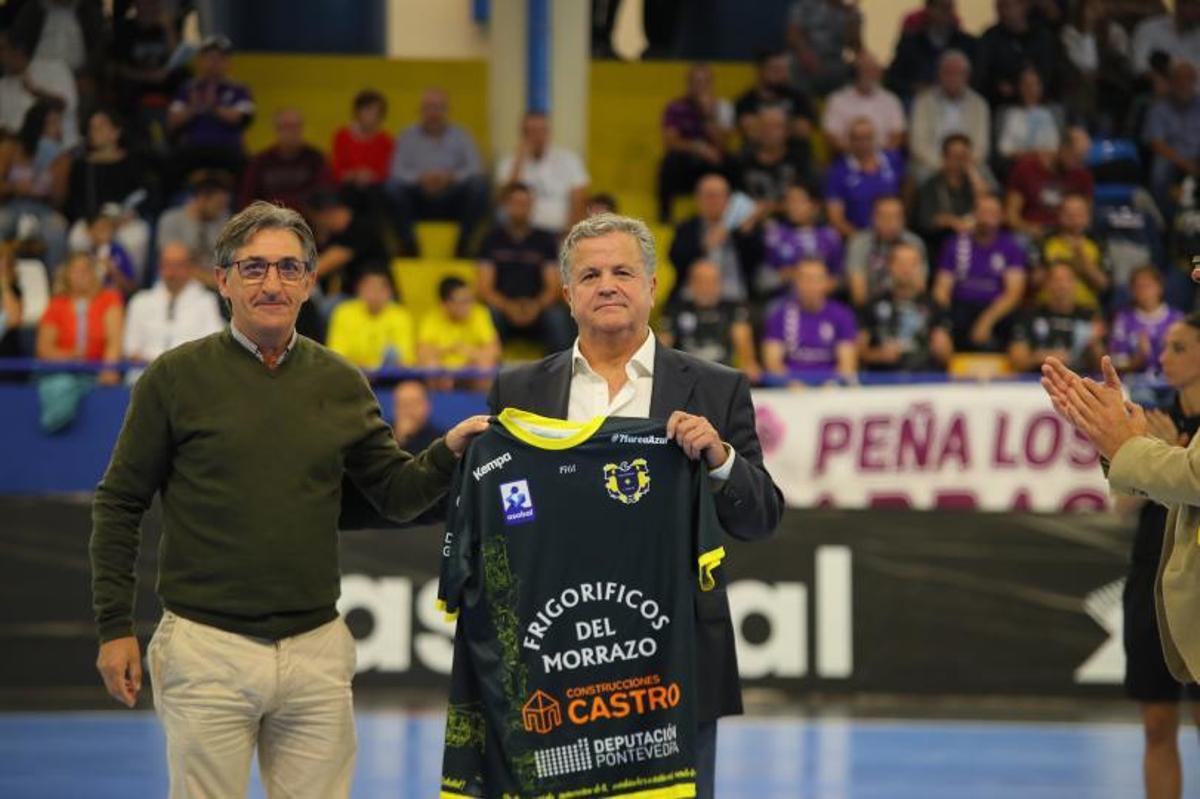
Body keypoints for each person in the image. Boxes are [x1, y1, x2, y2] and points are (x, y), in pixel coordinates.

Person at [89, 201, 490, 799]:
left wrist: (446, 452)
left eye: (287, 268)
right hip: (206, 648)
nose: (271, 283)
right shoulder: (173, 379)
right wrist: (114, 626)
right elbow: (120, 502)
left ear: (309, 281)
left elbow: (394, 494)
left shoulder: (340, 380)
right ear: (223, 281)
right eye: (253, 269)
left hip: (316, 653)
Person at [485, 212, 783, 799]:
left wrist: (720, 457)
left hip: (676, 662)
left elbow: (761, 517)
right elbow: (502, 516)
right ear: (568, 294)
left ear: (652, 285)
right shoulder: (518, 392)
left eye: (623, 271)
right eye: (590, 274)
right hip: (555, 657)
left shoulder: (717, 388)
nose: (608, 285)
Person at [1114, 314, 1200, 799]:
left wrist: (1181, 463)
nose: (1164, 358)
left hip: (1198, 579)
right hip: (1151, 576)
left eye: (1179, 348)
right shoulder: (1153, 420)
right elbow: (1123, 506)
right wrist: (1161, 457)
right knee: (1155, 723)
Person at [387, 88, 488, 257]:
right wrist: (421, 178)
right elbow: (396, 171)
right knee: (392, 187)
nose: (434, 113)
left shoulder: (462, 135)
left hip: (452, 198)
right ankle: (408, 245)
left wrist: (450, 178)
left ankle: (462, 246)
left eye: (439, 107)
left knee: (479, 186)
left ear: (447, 111)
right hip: (418, 199)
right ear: (420, 111)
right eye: (429, 107)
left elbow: (475, 168)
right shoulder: (406, 136)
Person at [476, 182, 574, 353]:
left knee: (557, 317)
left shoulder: (544, 240)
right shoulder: (491, 238)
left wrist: (535, 306)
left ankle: (561, 374)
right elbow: (484, 287)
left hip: (537, 310)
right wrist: (508, 307)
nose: (521, 208)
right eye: (516, 203)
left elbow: (553, 287)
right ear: (506, 206)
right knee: (488, 315)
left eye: (525, 203)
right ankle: (488, 375)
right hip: (502, 310)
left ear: (532, 206)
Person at [932, 194, 1028, 352]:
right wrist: (943, 319)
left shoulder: (1011, 246)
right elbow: (941, 289)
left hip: (996, 310)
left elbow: (1014, 293)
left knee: (1015, 322)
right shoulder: (955, 243)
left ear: (1001, 216)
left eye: (993, 213)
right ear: (974, 214)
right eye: (983, 212)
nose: (987, 219)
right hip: (960, 307)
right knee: (943, 326)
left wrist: (986, 321)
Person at [65, 109, 155, 276]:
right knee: (77, 238)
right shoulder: (82, 165)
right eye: (92, 128)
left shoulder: (134, 161)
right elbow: (75, 202)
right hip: (92, 221)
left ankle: (129, 286)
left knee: (136, 237)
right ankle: (83, 283)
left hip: (125, 220)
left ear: (116, 132)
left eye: (100, 127)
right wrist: (93, 224)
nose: (94, 132)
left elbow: (147, 195)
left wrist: (130, 215)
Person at [166, 35, 254, 185]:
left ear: (228, 62)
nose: (214, 63)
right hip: (194, 147)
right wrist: (193, 109)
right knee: (169, 166)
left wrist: (214, 107)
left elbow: (240, 117)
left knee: (249, 170)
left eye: (219, 58)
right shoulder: (188, 88)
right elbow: (173, 120)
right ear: (200, 61)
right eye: (209, 58)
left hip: (228, 148)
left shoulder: (239, 89)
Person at [122, 241, 223, 367]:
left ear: (190, 267)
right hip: (145, 375)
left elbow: (213, 345)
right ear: (159, 267)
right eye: (167, 264)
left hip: (190, 374)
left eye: (178, 265)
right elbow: (130, 347)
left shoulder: (206, 301)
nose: (172, 271)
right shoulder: (140, 301)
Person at [667, 173, 764, 303]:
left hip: (735, 297)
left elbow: (757, 261)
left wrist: (745, 233)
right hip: (694, 298)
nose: (714, 201)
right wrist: (704, 245)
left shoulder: (743, 227)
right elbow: (676, 260)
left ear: (729, 200)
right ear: (697, 199)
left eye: (719, 196)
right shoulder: (686, 228)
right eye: (708, 196)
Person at [659, 259, 761, 382]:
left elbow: (743, 343)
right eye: (700, 281)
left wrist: (749, 364)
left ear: (720, 284)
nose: (706, 287)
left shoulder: (733, 309)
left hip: (723, 378)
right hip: (685, 379)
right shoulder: (675, 310)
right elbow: (662, 348)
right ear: (690, 283)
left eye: (712, 282)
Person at [857, 242, 953, 372]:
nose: (906, 269)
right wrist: (878, 355)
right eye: (900, 263)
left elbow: (947, 359)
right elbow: (858, 352)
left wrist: (942, 350)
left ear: (920, 268)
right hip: (882, 382)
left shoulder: (934, 305)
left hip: (924, 380)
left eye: (912, 264)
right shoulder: (872, 305)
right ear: (889, 266)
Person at [659, 63, 736, 222]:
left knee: (731, 162)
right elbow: (670, 142)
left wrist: (708, 115)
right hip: (686, 163)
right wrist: (698, 148)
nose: (700, 87)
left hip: (711, 165)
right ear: (689, 84)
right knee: (669, 161)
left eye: (704, 82)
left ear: (711, 84)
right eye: (696, 82)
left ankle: (729, 216)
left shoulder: (723, 107)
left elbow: (723, 145)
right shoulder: (676, 107)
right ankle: (665, 216)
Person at [762, 257, 859, 384]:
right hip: (791, 390)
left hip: (831, 388)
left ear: (827, 283)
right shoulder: (779, 315)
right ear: (796, 282)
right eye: (805, 278)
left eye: (817, 279)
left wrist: (832, 385)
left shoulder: (842, 315)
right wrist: (790, 384)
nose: (811, 285)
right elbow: (773, 362)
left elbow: (847, 363)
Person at [0, 99, 70, 271]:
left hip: (44, 210)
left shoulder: (61, 157)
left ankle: (56, 285)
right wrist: (14, 187)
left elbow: (59, 200)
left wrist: (47, 188)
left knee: (57, 231)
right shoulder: (11, 148)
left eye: (58, 123)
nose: (56, 129)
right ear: (37, 123)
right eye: (51, 123)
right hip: (12, 205)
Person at [495, 111, 589, 235]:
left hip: (559, 232)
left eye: (542, 130)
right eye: (531, 131)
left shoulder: (569, 160)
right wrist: (519, 161)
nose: (537, 136)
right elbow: (503, 201)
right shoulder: (509, 162)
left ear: (549, 133)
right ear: (522, 134)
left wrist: (570, 235)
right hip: (522, 235)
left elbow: (579, 200)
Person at [36, 252, 123, 384]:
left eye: (85, 270)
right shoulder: (56, 305)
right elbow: (44, 349)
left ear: (94, 274)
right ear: (66, 276)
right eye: (75, 271)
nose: (81, 275)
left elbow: (114, 341)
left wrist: (108, 369)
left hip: (97, 371)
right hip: (61, 372)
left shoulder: (109, 299)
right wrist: (70, 356)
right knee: (61, 384)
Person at [908, 50, 991, 183]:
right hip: (931, 164)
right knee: (921, 178)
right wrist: (944, 165)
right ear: (939, 75)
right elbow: (918, 145)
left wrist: (963, 165)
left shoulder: (979, 104)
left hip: (969, 164)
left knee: (988, 185)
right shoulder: (923, 102)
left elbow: (981, 146)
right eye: (948, 73)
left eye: (958, 73)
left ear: (967, 76)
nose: (953, 78)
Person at [1007, 261, 1103, 373]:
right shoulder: (1029, 315)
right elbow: (1017, 362)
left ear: (1075, 284)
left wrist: (1094, 344)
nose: (1062, 285)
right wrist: (1043, 357)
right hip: (1036, 382)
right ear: (1047, 284)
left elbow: (1101, 365)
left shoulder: (1088, 317)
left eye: (1068, 279)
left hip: (1078, 382)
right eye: (1057, 280)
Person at [1005, 127, 1094, 242]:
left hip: (1066, 235)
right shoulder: (1026, 168)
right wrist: (1030, 229)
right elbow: (1011, 216)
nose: (1079, 163)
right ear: (1062, 148)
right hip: (1031, 232)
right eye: (1076, 157)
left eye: (1083, 157)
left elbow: (1086, 217)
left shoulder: (1083, 176)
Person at [972, 0, 1065, 107]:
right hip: (1000, 106)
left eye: (1006, 5)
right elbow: (981, 77)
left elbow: (1049, 75)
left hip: (1040, 106)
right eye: (998, 6)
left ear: (1023, 6)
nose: (1001, 12)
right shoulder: (990, 37)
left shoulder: (1042, 38)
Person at [823, 117, 904, 238]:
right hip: (857, 236)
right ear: (849, 140)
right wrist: (862, 240)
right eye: (857, 138)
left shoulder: (893, 159)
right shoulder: (837, 171)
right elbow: (836, 219)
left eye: (868, 137)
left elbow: (906, 191)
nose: (863, 143)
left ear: (875, 137)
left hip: (895, 233)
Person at [416, 275, 500, 392]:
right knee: (431, 366)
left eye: (469, 300)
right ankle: (439, 404)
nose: (468, 306)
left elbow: (493, 351)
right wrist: (449, 349)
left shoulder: (480, 314)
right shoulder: (431, 319)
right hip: (442, 375)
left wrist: (468, 353)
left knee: (484, 364)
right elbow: (423, 353)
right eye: (462, 301)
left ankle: (481, 406)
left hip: (470, 373)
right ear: (444, 304)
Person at [238, 108, 331, 212]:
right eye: (288, 127)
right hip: (269, 218)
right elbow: (247, 198)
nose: (293, 131)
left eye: (297, 126)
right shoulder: (261, 161)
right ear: (277, 130)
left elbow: (324, 192)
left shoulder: (315, 158)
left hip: (306, 218)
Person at [885, 0, 977, 104]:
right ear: (929, 10)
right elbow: (892, 79)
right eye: (942, 8)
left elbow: (978, 78)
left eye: (950, 8)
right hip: (917, 101)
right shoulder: (910, 43)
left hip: (958, 102)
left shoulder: (967, 44)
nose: (947, 13)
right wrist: (913, 88)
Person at [309, 189, 389, 307]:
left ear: (328, 213)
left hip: (375, 294)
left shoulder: (360, 229)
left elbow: (319, 268)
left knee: (326, 308)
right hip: (351, 293)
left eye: (317, 219)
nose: (318, 224)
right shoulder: (335, 234)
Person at [844, 195, 927, 308]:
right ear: (873, 218)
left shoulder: (914, 243)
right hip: (870, 309)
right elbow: (858, 293)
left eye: (896, 216)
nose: (891, 222)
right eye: (885, 216)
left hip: (908, 308)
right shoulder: (859, 244)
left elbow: (919, 286)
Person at [914, 133, 992, 253]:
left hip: (975, 238)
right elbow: (926, 219)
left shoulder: (975, 181)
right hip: (941, 241)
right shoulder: (931, 185)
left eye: (964, 155)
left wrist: (973, 172)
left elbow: (987, 204)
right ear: (944, 157)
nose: (959, 160)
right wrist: (952, 221)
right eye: (955, 156)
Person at [325, 268, 415, 370]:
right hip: (353, 374)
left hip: (390, 377)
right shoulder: (343, 312)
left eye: (380, 288)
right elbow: (336, 356)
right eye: (370, 288)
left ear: (390, 292)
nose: (375, 294)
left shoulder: (401, 315)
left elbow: (406, 360)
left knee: (410, 386)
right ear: (359, 289)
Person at [0, 32, 78, 148]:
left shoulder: (54, 68)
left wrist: (36, 92)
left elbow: (65, 105)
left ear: (18, 50)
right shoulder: (2, 85)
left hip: (63, 149)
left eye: (2, 49)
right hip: (21, 153)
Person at [1143, 61, 1200, 218]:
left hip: (1197, 156)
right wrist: (1184, 162)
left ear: (1195, 82)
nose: (1184, 84)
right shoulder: (1159, 108)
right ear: (1172, 82)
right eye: (1179, 79)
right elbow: (1156, 143)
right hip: (1172, 158)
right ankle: (1162, 219)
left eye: (1189, 79)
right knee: (1160, 167)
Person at [821, 51, 906, 153]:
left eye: (873, 69)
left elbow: (898, 135)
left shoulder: (891, 100)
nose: (869, 73)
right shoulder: (837, 100)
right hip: (847, 157)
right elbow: (831, 136)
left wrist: (875, 158)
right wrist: (860, 155)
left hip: (883, 158)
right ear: (856, 71)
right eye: (865, 69)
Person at [763, 183, 844, 289]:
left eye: (798, 201)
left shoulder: (830, 236)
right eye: (789, 201)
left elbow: (841, 277)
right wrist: (781, 277)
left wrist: (824, 283)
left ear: (814, 205)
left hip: (823, 301)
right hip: (784, 300)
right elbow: (762, 280)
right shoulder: (775, 236)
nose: (792, 207)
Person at [155, 170, 233, 280]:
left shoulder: (225, 221)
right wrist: (211, 281)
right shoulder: (171, 220)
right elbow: (172, 263)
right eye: (219, 204)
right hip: (180, 281)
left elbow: (229, 262)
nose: (222, 210)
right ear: (202, 199)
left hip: (216, 283)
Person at [736, 105, 814, 210]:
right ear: (756, 130)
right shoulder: (742, 162)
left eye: (776, 126)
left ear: (787, 131)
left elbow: (810, 202)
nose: (769, 131)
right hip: (752, 221)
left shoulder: (800, 161)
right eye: (764, 126)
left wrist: (772, 208)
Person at [1109, 265, 1182, 378]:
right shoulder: (1124, 319)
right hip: (1135, 384)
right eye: (1138, 287)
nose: (1144, 291)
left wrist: (1170, 350)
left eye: (1148, 286)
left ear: (1160, 288)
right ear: (1132, 292)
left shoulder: (1177, 319)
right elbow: (1116, 363)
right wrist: (1139, 359)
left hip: (1171, 382)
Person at [1039, 192, 1108, 310]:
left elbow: (1104, 285)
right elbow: (1033, 282)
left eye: (1079, 211)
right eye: (1068, 211)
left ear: (1088, 216)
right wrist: (1059, 269)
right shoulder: (1044, 242)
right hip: (1047, 312)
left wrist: (1083, 262)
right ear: (1059, 215)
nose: (1074, 216)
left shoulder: (1097, 243)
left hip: (1086, 312)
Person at [733, 49, 815, 145]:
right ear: (760, 70)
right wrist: (788, 126)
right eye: (776, 69)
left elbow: (803, 130)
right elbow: (751, 132)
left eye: (785, 70)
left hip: (795, 156)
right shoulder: (745, 101)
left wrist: (765, 126)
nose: (782, 75)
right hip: (755, 157)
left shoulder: (799, 98)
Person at [785, 0, 862, 96]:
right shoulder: (805, 5)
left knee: (855, 73)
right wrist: (805, 55)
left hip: (835, 62)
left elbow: (854, 46)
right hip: (806, 58)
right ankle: (803, 105)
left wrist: (852, 20)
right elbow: (793, 34)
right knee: (794, 66)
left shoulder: (850, 13)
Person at [996, 66, 1063, 160]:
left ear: (1041, 88)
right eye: (1026, 84)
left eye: (1034, 84)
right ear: (1019, 87)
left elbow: (1055, 148)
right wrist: (1030, 156)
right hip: (1018, 166)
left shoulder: (1049, 114)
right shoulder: (1010, 114)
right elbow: (1004, 150)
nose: (1030, 89)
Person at [1131, 0, 1200, 76]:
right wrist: (1154, 78)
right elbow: (1139, 65)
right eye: (1196, 6)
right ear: (1180, 4)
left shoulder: (1197, 36)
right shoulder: (1150, 29)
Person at [390, 379, 444, 453]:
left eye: (414, 403)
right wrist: (399, 439)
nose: (408, 410)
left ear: (427, 406)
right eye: (403, 404)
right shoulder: (383, 436)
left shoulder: (439, 440)